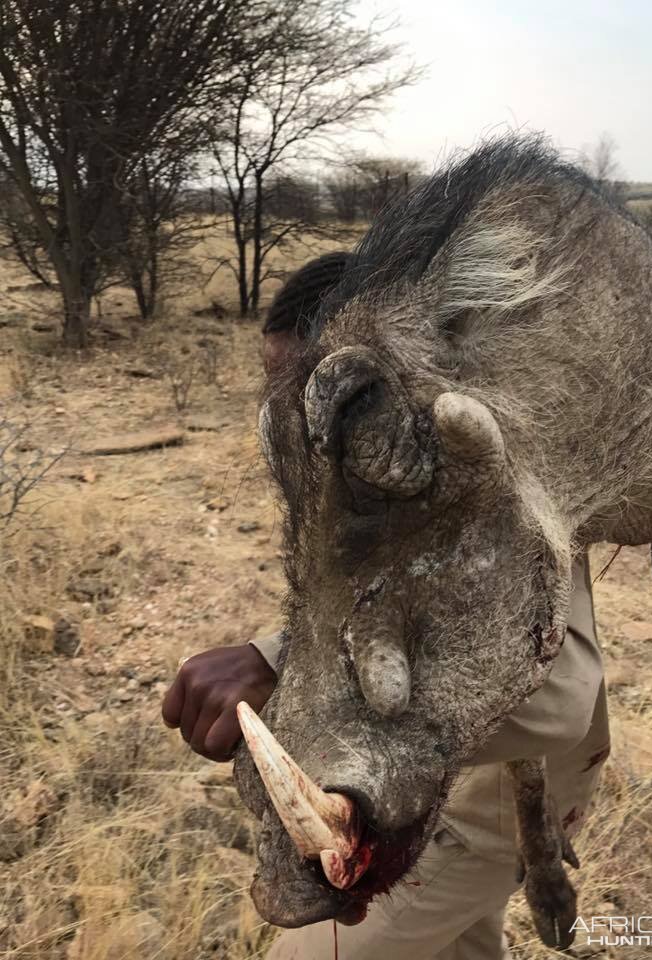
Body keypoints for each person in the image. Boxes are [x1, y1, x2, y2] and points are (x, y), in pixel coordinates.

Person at [162, 254, 610, 960]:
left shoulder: (487, 463)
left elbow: (562, 694)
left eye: (301, 389)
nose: (284, 413)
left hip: (478, 806)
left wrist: (286, 667)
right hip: (455, 793)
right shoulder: (385, 475)